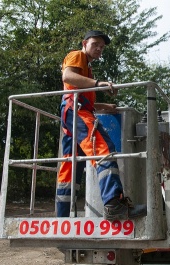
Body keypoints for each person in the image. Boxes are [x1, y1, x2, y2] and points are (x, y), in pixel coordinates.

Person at [56, 30, 147, 220]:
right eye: (95, 44)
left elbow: (81, 97)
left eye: (102, 47)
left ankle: (62, 217)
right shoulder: (77, 55)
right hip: (76, 111)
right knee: (104, 149)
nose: (99, 48)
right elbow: (67, 76)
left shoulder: (86, 69)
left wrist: (104, 105)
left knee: (70, 166)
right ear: (84, 43)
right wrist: (98, 83)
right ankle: (114, 204)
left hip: (73, 112)